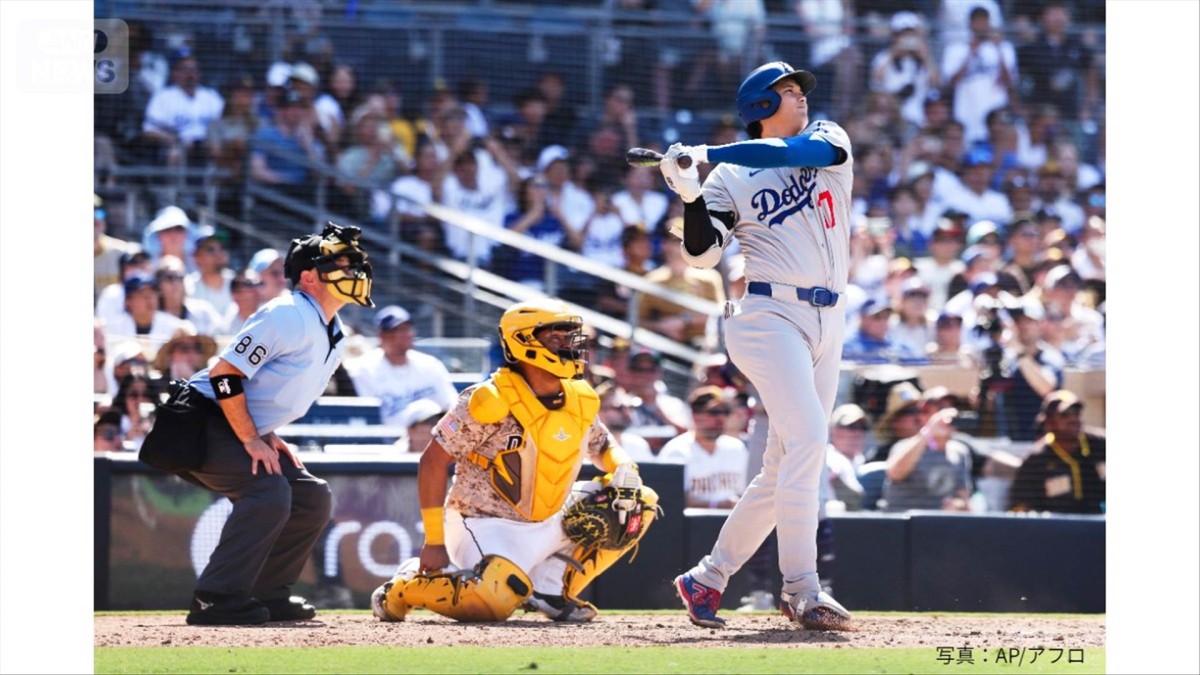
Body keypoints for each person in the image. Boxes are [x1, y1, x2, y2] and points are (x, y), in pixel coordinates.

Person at [659, 61, 854, 630]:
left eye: (798, 91)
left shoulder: (827, 139)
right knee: (811, 441)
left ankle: (707, 579)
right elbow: (701, 255)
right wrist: (692, 192)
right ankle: (801, 589)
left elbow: (796, 156)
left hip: (830, 317)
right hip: (768, 315)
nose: (802, 100)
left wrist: (709, 154)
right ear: (761, 108)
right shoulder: (727, 180)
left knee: (783, 465)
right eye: (789, 93)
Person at [370, 299, 658, 623]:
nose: (569, 346)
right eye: (557, 338)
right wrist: (433, 541)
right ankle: (407, 585)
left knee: (638, 502)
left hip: (550, 517)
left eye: (570, 338)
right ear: (524, 342)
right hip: (484, 523)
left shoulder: (578, 396)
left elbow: (602, 444)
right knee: (494, 604)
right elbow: (432, 463)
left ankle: (552, 589)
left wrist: (623, 468)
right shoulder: (488, 400)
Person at [153, 223, 373, 625]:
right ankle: (214, 598)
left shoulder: (334, 330)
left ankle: (266, 593)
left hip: (235, 423)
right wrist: (251, 437)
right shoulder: (287, 312)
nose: (353, 270)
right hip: (198, 421)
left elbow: (263, 389)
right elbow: (223, 376)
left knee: (311, 498)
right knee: (268, 491)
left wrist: (268, 434)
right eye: (341, 263)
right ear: (310, 276)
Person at [343, 305, 458, 428]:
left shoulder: (430, 364)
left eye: (407, 328)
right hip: (390, 439)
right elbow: (372, 419)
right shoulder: (363, 369)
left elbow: (452, 406)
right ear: (382, 337)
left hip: (434, 435)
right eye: (397, 330)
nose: (405, 334)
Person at [1008, 390, 1105, 514]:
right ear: (1049, 422)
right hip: (1054, 528)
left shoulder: (1102, 445)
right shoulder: (1036, 459)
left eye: (1077, 412)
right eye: (1065, 415)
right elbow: (1019, 508)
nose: (1073, 418)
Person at [658, 386, 749, 509]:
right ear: (695, 416)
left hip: (732, 523)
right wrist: (717, 505)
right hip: (692, 525)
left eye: (725, 412)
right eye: (714, 412)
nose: (720, 419)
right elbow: (670, 500)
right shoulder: (676, 451)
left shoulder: (737, 448)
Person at [881, 404, 973, 513]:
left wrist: (957, 505)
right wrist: (928, 432)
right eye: (940, 411)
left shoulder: (960, 452)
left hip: (940, 523)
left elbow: (964, 499)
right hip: (904, 523)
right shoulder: (904, 446)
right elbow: (894, 473)